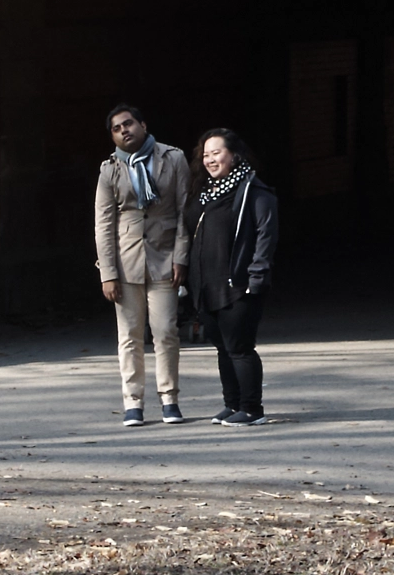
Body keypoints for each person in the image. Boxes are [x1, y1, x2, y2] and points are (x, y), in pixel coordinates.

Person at [93, 104, 192, 427]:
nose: (124, 130)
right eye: (117, 128)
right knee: (130, 335)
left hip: (164, 256)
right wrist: (107, 272)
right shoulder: (110, 169)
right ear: (113, 136)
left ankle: (169, 398)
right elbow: (104, 223)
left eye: (129, 124)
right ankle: (133, 402)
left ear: (143, 125)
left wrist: (181, 255)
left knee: (165, 331)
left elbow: (183, 209)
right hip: (126, 260)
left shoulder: (172, 158)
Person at [186, 128, 277, 427]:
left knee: (239, 347)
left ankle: (252, 409)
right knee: (223, 347)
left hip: (238, 284)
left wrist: (257, 273)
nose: (210, 159)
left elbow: (266, 232)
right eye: (206, 154)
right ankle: (232, 404)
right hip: (206, 284)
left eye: (217, 153)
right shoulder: (205, 192)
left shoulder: (253, 190)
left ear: (234, 155)